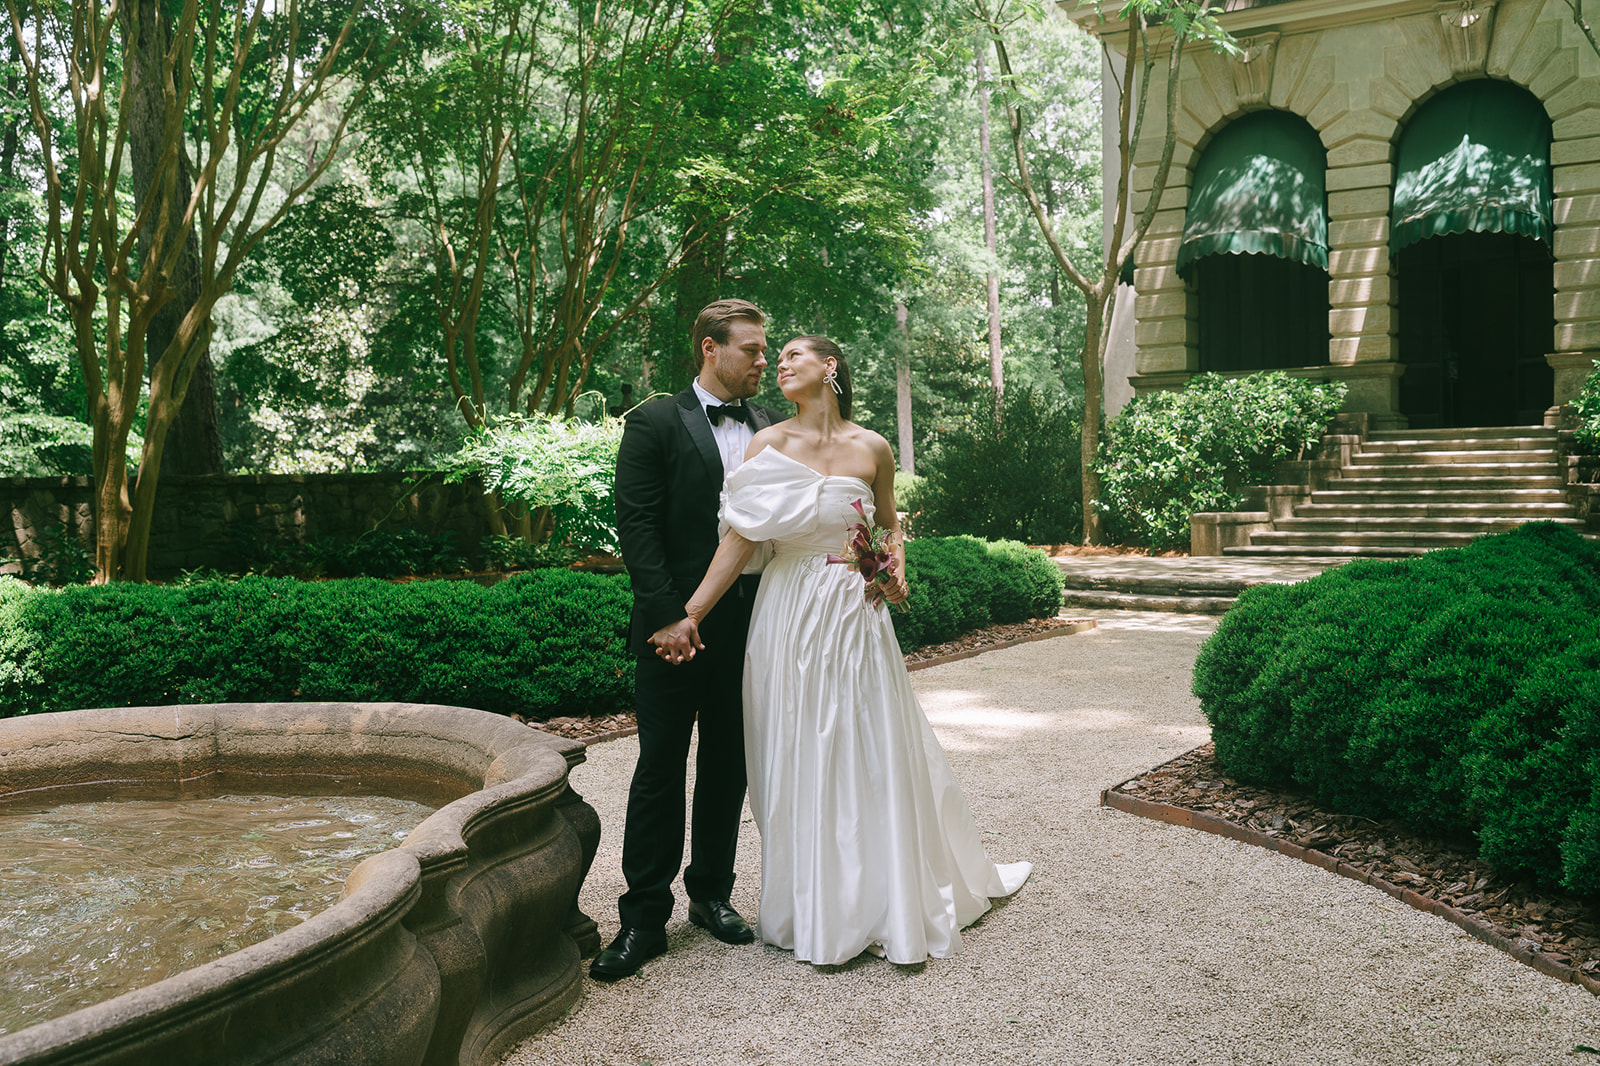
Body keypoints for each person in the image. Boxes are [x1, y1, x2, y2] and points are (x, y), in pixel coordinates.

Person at [670, 335, 1031, 966]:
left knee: (867, 743)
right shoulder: (767, 444)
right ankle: (814, 906)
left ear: (829, 366)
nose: (778, 365)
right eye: (773, 359)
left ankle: (881, 896)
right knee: (798, 745)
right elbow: (739, 541)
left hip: (856, 613)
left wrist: (893, 564)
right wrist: (692, 612)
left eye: (792, 356)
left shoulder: (873, 446)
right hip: (788, 612)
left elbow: (888, 523)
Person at [590, 299, 780, 981]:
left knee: (729, 763)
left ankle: (712, 895)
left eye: (766, 351)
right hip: (670, 626)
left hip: (753, 622)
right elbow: (637, 525)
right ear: (709, 348)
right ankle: (643, 918)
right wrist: (670, 615)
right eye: (752, 350)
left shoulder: (772, 426)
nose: (765, 362)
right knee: (659, 770)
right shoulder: (652, 422)